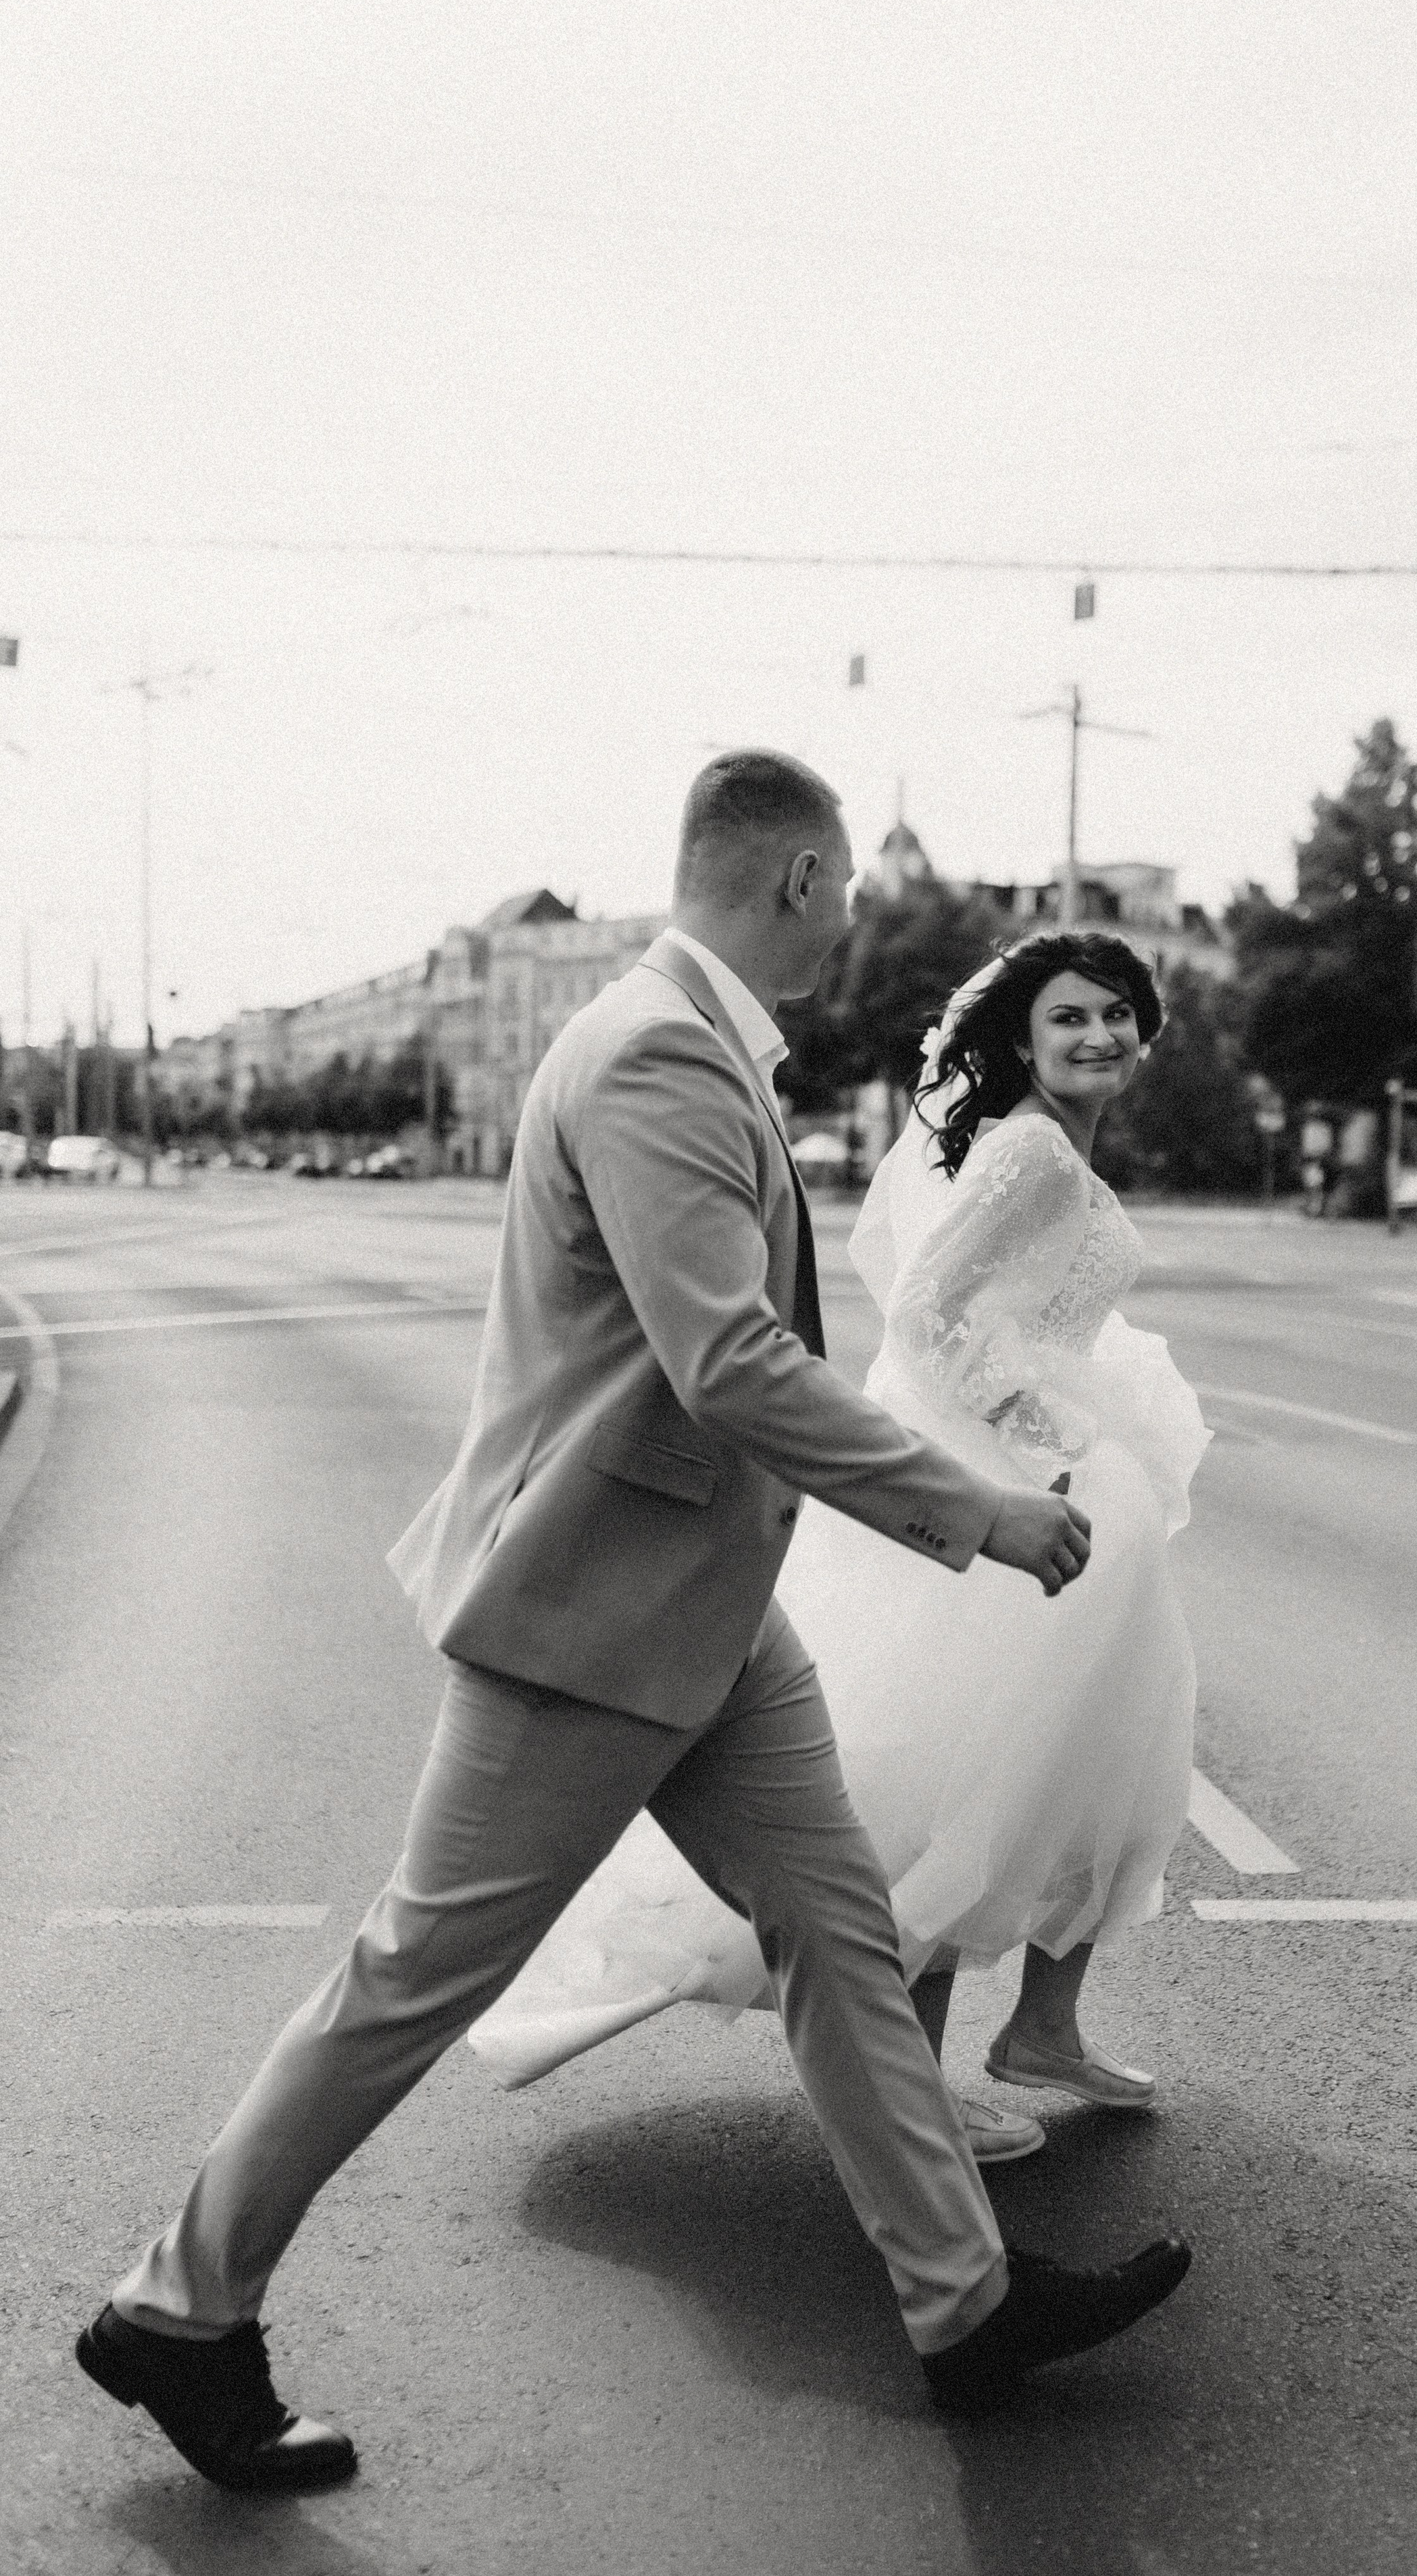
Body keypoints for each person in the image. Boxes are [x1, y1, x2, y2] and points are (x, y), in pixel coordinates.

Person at [76, 756, 1190, 2495]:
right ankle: (179, 2306)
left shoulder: (678, 1038)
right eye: (848, 895)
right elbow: (726, 1361)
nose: (854, 923)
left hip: (696, 1603)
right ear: (806, 878)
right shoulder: (662, 1051)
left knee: (839, 1931)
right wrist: (966, 1509)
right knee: (412, 1977)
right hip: (594, 1612)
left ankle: (964, 2304)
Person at [470, 931, 1208, 2165]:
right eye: (1072, 1018)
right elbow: (927, 1312)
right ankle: (918, 2081)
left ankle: (1045, 2030)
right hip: (1020, 1489)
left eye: (1120, 1017)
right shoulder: (1028, 1149)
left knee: (1093, 1766)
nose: (1101, 1038)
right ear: (1022, 1037)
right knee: (964, 1777)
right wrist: (1043, 1441)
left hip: (1077, 1490)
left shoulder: (1049, 1143)